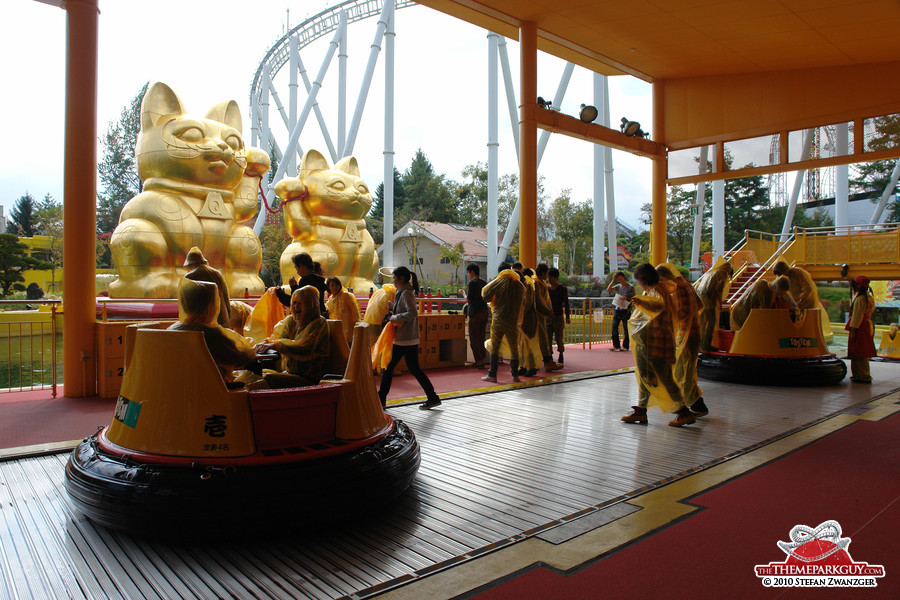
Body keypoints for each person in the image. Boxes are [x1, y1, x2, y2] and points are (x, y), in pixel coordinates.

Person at [621, 264, 695, 427]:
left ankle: (683, 412)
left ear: (643, 280)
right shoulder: (657, 291)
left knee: (664, 378)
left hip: (656, 344)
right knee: (645, 377)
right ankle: (641, 410)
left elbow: (657, 307)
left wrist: (642, 302)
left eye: (638, 280)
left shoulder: (657, 292)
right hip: (653, 343)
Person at [378, 266, 442, 410]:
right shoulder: (403, 291)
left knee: (388, 368)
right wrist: (393, 307)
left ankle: (381, 399)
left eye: (394, 278)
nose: (393, 281)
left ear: (401, 279)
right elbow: (406, 310)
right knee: (415, 369)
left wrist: (394, 316)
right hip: (409, 338)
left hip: (404, 338)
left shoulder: (406, 292)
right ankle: (432, 397)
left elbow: (412, 312)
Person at [168, 278, 256, 382]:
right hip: (213, 390)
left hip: (178, 388)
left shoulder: (172, 330)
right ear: (211, 306)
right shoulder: (214, 334)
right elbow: (242, 356)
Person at [657, 263, 707, 417]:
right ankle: (688, 403)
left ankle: (696, 405)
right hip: (693, 332)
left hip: (687, 335)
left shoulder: (678, 288)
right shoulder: (687, 285)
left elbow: (682, 312)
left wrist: (670, 320)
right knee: (685, 370)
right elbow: (700, 305)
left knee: (685, 372)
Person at [256, 286, 331, 388]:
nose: (295, 307)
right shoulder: (292, 321)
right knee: (256, 374)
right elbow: (280, 338)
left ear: (310, 305)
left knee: (267, 378)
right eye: (294, 303)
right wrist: (266, 342)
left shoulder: (319, 323)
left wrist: (274, 345)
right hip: (291, 373)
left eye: (300, 303)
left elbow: (304, 348)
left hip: (309, 379)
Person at [482, 262, 526, 383]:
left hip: (499, 320)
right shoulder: (519, 285)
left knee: (495, 346)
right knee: (514, 347)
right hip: (513, 321)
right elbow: (523, 303)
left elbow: (485, 294)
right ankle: (515, 375)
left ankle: (492, 374)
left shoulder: (499, 282)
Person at [183, 246, 231, 329]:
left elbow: (185, 306)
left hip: (202, 326)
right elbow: (226, 300)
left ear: (189, 264)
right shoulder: (217, 273)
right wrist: (227, 318)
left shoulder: (189, 276)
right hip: (222, 321)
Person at [696, 259, 733, 351]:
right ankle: (706, 345)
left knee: (703, 323)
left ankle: (700, 345)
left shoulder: (711, 272)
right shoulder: (722, 274)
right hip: (709, 301)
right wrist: (720, 303)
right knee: (710, 323)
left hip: (701, 300)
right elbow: (718, 290)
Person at [846, 275, 876, 383]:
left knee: (859, 351)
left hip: (859, 327)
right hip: (867, 325)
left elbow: (857, 316)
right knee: (864, 351)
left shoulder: (860, 299)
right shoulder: (869, 297)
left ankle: (862, 376)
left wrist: (853, 330)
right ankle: (861, 375)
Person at [534, 263, 562, 371]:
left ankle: (548, 360)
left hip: (542, 315)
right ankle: (547, 362)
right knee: (543, 339)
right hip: (540, 315)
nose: (548, 276)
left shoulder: (540, 283)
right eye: (547, 273)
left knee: (544, 338)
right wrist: (548, 311)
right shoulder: (537, 283)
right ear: (543, 273)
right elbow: (539, 300)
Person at [460, 263, 488, 368]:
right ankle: (483, 359)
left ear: (472, 271)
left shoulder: (472, 283)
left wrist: (463, 293)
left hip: (474, 313)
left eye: (468, 272)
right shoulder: (484, 283)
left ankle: (479, 361)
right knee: (481, 337)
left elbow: (468, 299)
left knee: (474, 338)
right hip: (484, 312)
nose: (468, 274)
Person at [517, 268, 543, 377]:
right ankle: (523, 366)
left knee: (529, 344)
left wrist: (518, 313)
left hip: (528, 320)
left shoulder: (528, 287)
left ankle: (532, 367)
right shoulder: (523, 287)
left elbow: (527, 304)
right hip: (522, 321)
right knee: (523, 345)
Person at [325, 276, 360, 347]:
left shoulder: (346, 296)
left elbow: (354, 311)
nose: (335, 287)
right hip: (335, 330)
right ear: (328, 287)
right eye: (332, 285)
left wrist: (355, 324)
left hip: (348, 328)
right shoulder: (329, 301)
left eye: (337, 285)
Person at [547, 267, 570, 366]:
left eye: (551, 277)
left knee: (558, 337)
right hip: (548, 316)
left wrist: (567, 316)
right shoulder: (546, 288)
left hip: (558, 316)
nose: (549, 279)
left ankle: (561, 353)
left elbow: (566, 303)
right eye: (548, 277)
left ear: (556, 278)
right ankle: (550, 355)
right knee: (548, 337)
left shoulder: (562, 288)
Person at [606, 271, 634, 351]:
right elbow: (608, 289)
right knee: (614, 327)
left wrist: (626, 298)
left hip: (626, 309)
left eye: (619, 277)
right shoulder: (618, 286)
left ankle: (625, 346)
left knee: (626, 328)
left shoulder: (630, 287)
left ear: (623, 277)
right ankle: (616, 345)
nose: (619, 279)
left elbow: (634, 297)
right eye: (617, 277)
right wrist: (613, 280)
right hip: (618, 309)